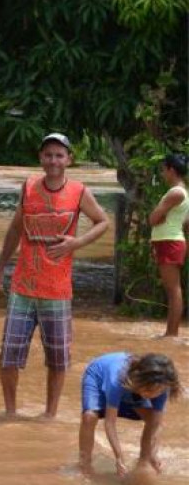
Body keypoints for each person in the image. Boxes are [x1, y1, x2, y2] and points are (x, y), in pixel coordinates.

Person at [0, 133, 109, 418]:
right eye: (48, 155)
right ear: (40, 158)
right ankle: (10, 413)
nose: (53, 160)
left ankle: (50, 415)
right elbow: (16, 230)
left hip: (57, 290)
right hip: (22, 287)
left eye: (59, 155)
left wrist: (76, 243)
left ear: (69, 159)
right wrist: (0, 269)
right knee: (8, 356)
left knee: (57, 359)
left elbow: (102, 222)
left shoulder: (79, 191)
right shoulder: (28, 187)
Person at [79, 352, 181, 478]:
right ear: (142, 380)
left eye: (157, 392)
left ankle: (143, 461)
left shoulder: (162, 388)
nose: (153, 395)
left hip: (133, 389)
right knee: (89, 416)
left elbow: (157, 424)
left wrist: (153, 453)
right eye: (150, 390)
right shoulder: (117, 380)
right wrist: (119, 457)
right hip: (98, 377)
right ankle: (85, 465)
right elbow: (110, 423)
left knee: (151, 419)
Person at [148, 153, 188, 337]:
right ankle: (170, 333)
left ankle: (171, 334)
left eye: (164, 170)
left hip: (170, 241)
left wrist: (159, 217)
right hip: (169, 240)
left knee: (173, 289)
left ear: (172, 170)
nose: (163, 174)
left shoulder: (175, 192)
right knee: (172, 289)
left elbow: (153, 218)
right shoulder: (182, 192)